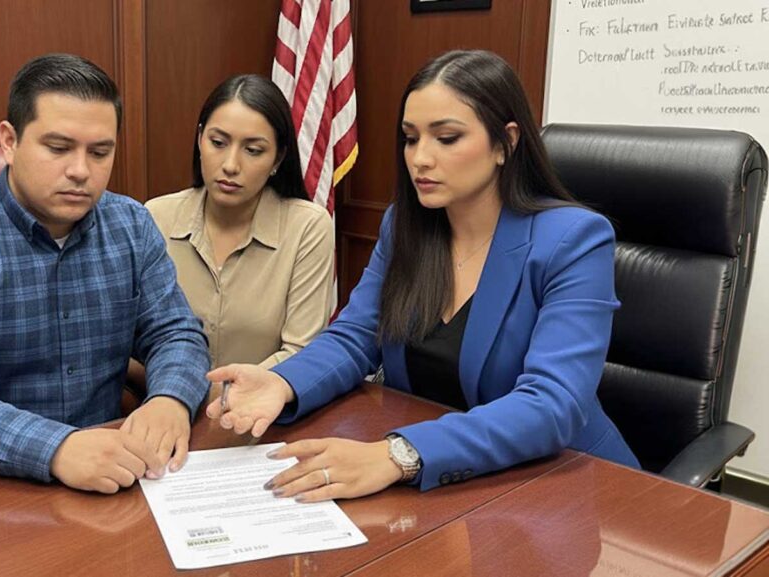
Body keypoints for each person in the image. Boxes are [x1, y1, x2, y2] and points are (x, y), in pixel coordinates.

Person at [205, 50, 640, 502]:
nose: (420, 158)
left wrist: (399, 454)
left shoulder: (574, 240)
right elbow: (355, 336)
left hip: (561, 488)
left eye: (446, 138)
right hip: (449, 490)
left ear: (505, 144)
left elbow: (553, 404)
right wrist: (283, 382)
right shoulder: (406, 225)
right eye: (411, 139)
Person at [0, 53, 210, 494]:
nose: (81, 171)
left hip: (104, 477)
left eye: (100, 152)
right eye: (58, 148)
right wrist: (57, 448)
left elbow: (177, 334)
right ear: (9, 140)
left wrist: (169, 399)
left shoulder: (132, 226)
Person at [141, 75, 334, 379]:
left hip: (266, 414)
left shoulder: (308, 226)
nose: (230, 165)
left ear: (278, 158)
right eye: (218, 143)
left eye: (253, 150)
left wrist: (217, 395)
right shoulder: (156, 216)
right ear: (200, 140)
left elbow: (301, 352)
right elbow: (139, 343)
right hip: (165, 408)